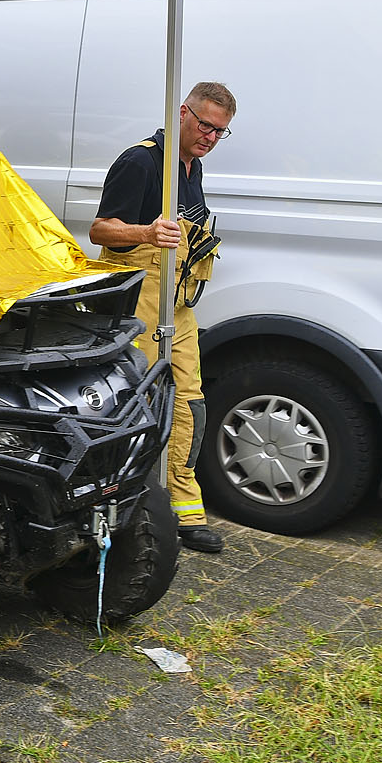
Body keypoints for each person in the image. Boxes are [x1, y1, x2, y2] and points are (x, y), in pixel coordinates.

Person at [91, 81, 236, 555]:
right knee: (135, 402)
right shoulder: (141, 162)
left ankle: (184, 512)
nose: (210, 137)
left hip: (178, 303)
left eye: (220, 132)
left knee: (189, 402)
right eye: (205, 125)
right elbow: (100, 229)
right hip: (140, 299)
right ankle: (121, 505)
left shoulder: (192, 167)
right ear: (182, 113)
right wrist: (146, 232)